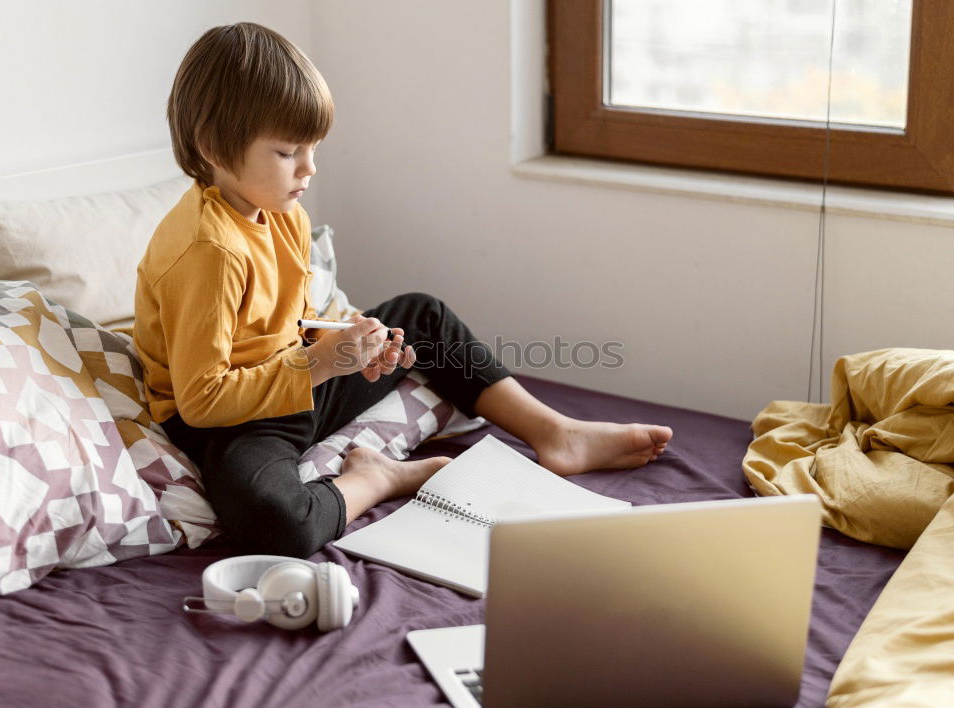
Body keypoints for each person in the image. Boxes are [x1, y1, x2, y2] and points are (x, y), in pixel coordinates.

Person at [133, 22, 673, 558]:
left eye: (313, 148)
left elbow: (284, 325)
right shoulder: (209, 251)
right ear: (213, 147)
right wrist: (319, 366)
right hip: (232, 420)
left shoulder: (281, 212)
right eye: (287, 151)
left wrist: (350, 345)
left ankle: (556, 432)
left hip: (289, 383)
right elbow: (203, 402)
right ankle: (377, 479)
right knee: (277, 524)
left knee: (421, 314)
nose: (309, 168)